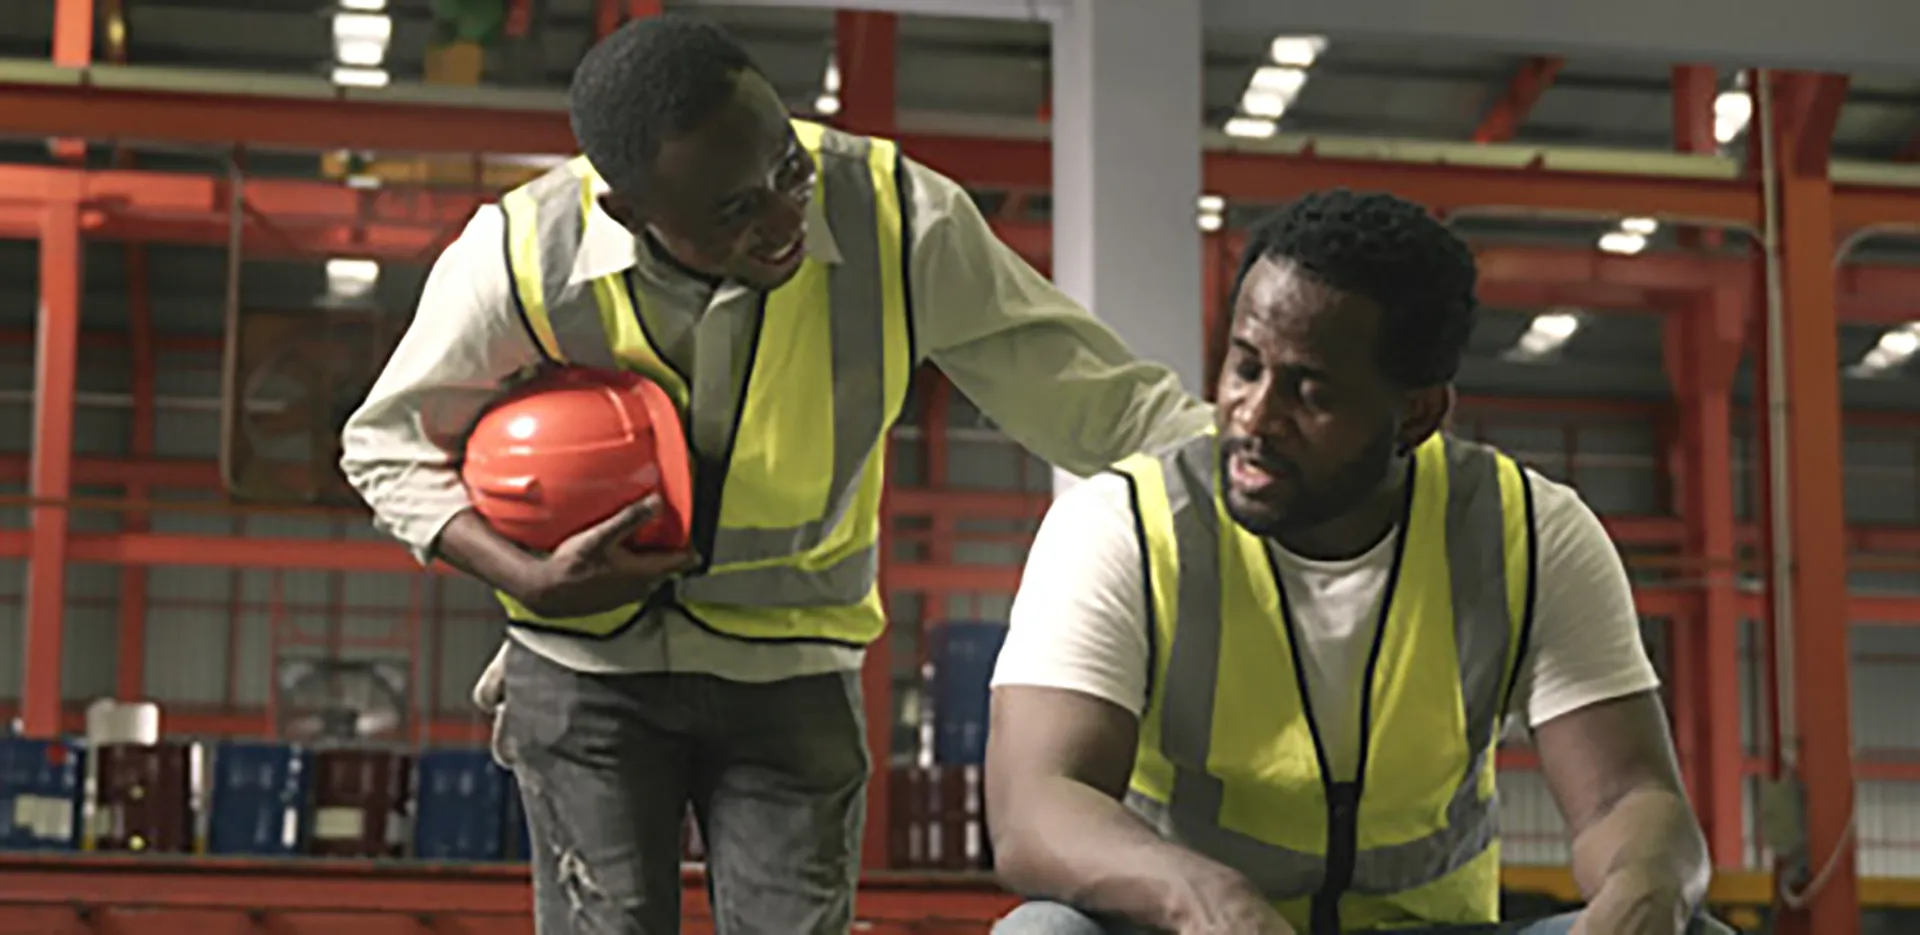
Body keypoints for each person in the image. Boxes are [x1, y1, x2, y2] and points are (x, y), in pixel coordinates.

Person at [338, 13, 1211, 935]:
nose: (785, 215)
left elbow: (1105, 405)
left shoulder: (899, 219)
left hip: (794, 671)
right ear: (629, 213)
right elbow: (387, 441)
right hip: (585, 670)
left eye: (787, 168)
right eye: (733, 210)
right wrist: (522, 576)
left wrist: (1260, 479)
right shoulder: (524, 255)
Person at [982, 190, 1721, 935]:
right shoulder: (1126, 528)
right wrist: (1203, 895)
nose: (1255, 416)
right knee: (1041, 934)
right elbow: (1034, 804)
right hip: (1195, 928)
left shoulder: (1526, 533)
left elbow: (1627, 798)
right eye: (1244, 367)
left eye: (1311, 392)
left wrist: (1645, 886)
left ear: (1417, 415)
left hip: (1424, 928)